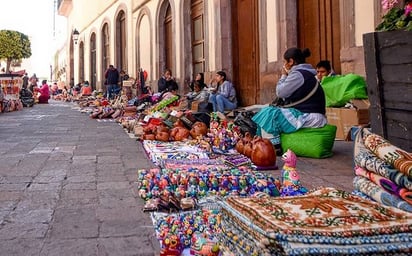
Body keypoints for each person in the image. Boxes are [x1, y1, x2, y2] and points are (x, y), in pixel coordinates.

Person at [252, 47, 327, 155]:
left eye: (285, 61)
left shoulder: (298, 74)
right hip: (308, 113)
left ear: (291, 61)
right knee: (267, 111)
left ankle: (272, 147)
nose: (284, 64)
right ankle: (266, 143)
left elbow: (280, 92)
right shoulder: (305, 73)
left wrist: (283, 75)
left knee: (269, 114)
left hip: (310, 115)